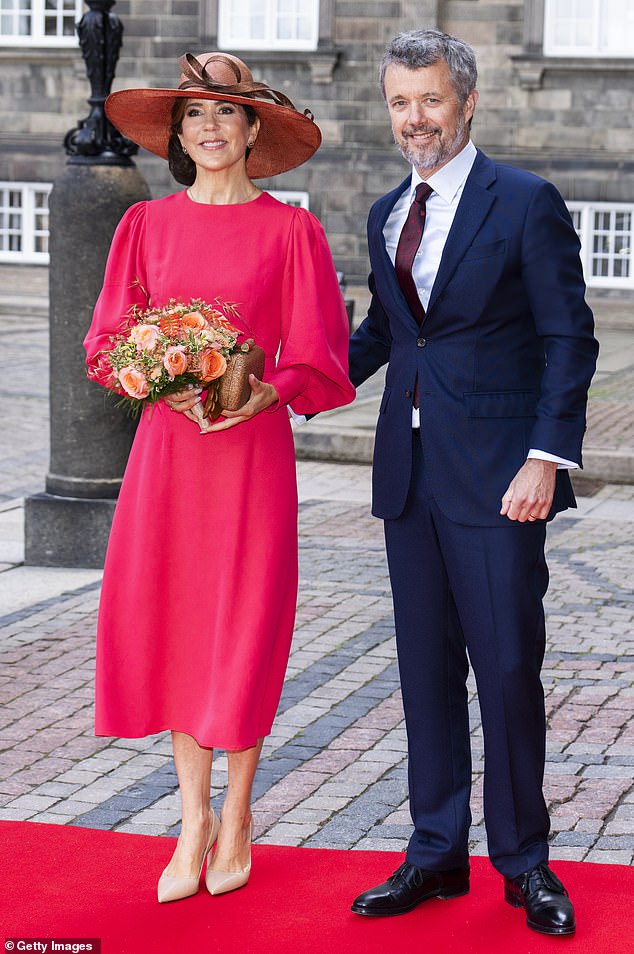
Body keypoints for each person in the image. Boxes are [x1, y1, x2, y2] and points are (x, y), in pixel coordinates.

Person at [84, 51, 354, 904]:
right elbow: (104, 343)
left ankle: (238, 813)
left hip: (249, 457)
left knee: (241, 624)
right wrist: (154, 375)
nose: (209, 128)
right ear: (179, 135)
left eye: (226, 114)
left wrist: (265, 389)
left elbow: (319, 355)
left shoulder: (291, 232)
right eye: (194, 115)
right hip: (167, 457)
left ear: (251, 132)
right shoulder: (144, 227)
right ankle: (190, 817)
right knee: (173, 622)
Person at [347, 30, 598, 937]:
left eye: (430, 100)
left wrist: (544, 457)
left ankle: (526, 863)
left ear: (467, 101)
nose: (415, 119)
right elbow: (385, 332)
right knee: (423, 675)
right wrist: (285, 386)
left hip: (500, 481)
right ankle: (434, 852)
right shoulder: (384, 211)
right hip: (409, 479)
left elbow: (570, 338)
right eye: (400, 103)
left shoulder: (525, 202)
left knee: (504, 670)